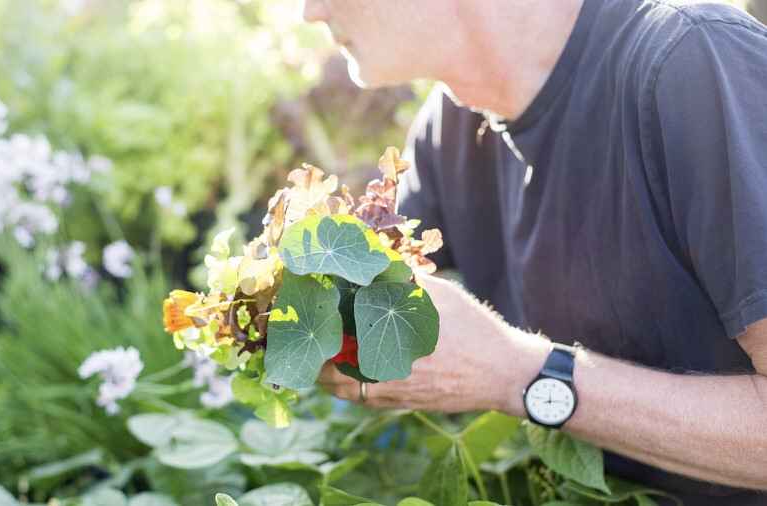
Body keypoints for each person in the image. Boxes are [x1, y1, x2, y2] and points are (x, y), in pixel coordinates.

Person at [306, 1, 767, 505]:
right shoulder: (453, 127)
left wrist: (515, 374)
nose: (310, 11)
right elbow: (367, 304)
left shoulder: (689, 62)